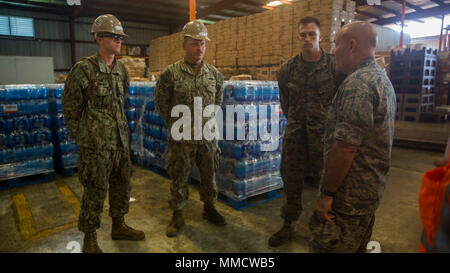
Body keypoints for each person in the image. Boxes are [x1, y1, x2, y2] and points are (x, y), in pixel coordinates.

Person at [309, 21, 396, 253]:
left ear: (352, 45)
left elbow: (346, 148)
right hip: (368, 193)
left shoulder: (358, 85)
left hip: (347, 198)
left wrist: (327, 194)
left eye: (336, 44)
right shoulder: (381, 79)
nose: (333, 51)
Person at [62, 14, 145, 253]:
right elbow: (70, 107)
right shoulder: (83, 70)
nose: (118, 40)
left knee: (122, 186)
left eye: (120, 36)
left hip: (120, 140)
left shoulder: (121, 70)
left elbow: (120, 100)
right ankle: (90, 239)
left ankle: (119, 225)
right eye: (113, 36)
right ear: (99, 38)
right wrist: (85, 136)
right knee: (95, 190)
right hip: (95, 146)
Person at [269, 16, 340, 247]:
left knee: (326, 183)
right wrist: (300, 121)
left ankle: (323, 228)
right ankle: (288, 224)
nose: (307, 39)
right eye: (303, 35)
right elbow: (285, 103)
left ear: (320, 37)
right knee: (291, 180)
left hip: (325, 139)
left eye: (312, 34)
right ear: (298, 37)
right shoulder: (287, 69)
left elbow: (341, 100)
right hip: (296, 135)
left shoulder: (334, 66)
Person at [155, 20, 225, 237]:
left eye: (202, 43)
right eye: (195, 43)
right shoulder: (171, 74)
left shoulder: (214, 74)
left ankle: (209, 207)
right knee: (179, 176)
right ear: (184, 44)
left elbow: (217, 102)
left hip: (207, 136)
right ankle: (177, 214)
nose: (199, 48)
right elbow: (162, 103)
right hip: (182, 137)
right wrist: (177, 126)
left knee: (209, 174)